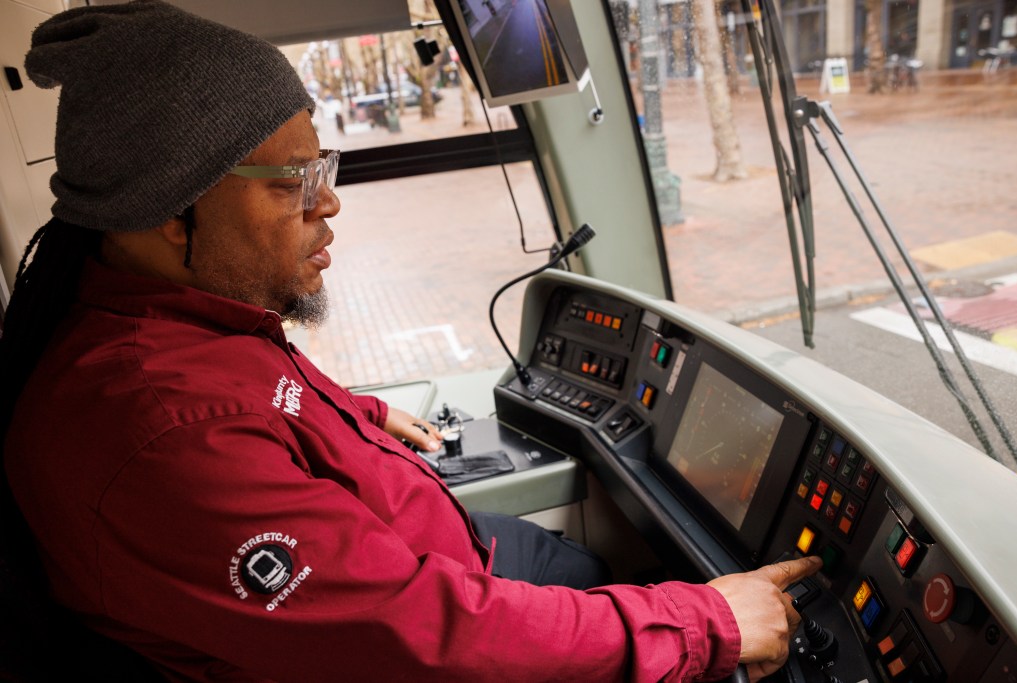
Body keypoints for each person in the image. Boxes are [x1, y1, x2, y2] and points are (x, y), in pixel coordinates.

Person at [0, 2, 821, 681]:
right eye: (296, 182)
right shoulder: (162, 435)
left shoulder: (179, 328)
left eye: (325, 170)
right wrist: (706, 623)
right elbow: (426, 640)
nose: (329, 208)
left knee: (610, 575)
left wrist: (353, 418)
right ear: (166, 214)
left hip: (458, 557)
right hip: (441, 627)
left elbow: (246, 401)